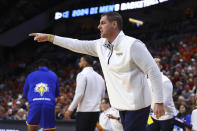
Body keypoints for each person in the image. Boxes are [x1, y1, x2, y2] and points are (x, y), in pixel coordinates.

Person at [29, 12, 165, 131]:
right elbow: (76, 44)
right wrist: (50, 38)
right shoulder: (100, 45)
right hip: (121, 106)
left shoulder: (133, 44)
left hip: (138, 106)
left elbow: (153, 71)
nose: (99, 26)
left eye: (103, 23)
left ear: (114, 24)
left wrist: (158, 101)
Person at [64, 55, 106, 131]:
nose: (79, 63)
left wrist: (70, 109)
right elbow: (102, 95)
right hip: (96, 112)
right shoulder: (100, 77)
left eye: (81, 61)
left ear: (85, 63)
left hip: (84, 111)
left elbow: (79, 94)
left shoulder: (82, 75)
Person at [23, 59, 60, 131]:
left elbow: (25, 92)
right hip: (49, 103)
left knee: (32, 126)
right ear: (48, 67)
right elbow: (57, 93)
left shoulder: (31, 75)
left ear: (38, 67)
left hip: (34, 103)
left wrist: (30, 100)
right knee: (49, 128)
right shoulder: (53, 75)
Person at [146, 58, 177, 131]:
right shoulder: (147, 80)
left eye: (155, 63)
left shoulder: (165, 81)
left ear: (160, 67)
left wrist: (150, 109)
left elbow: (165, 101)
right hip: (153, 116)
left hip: (167, 117)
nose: (152, 65)